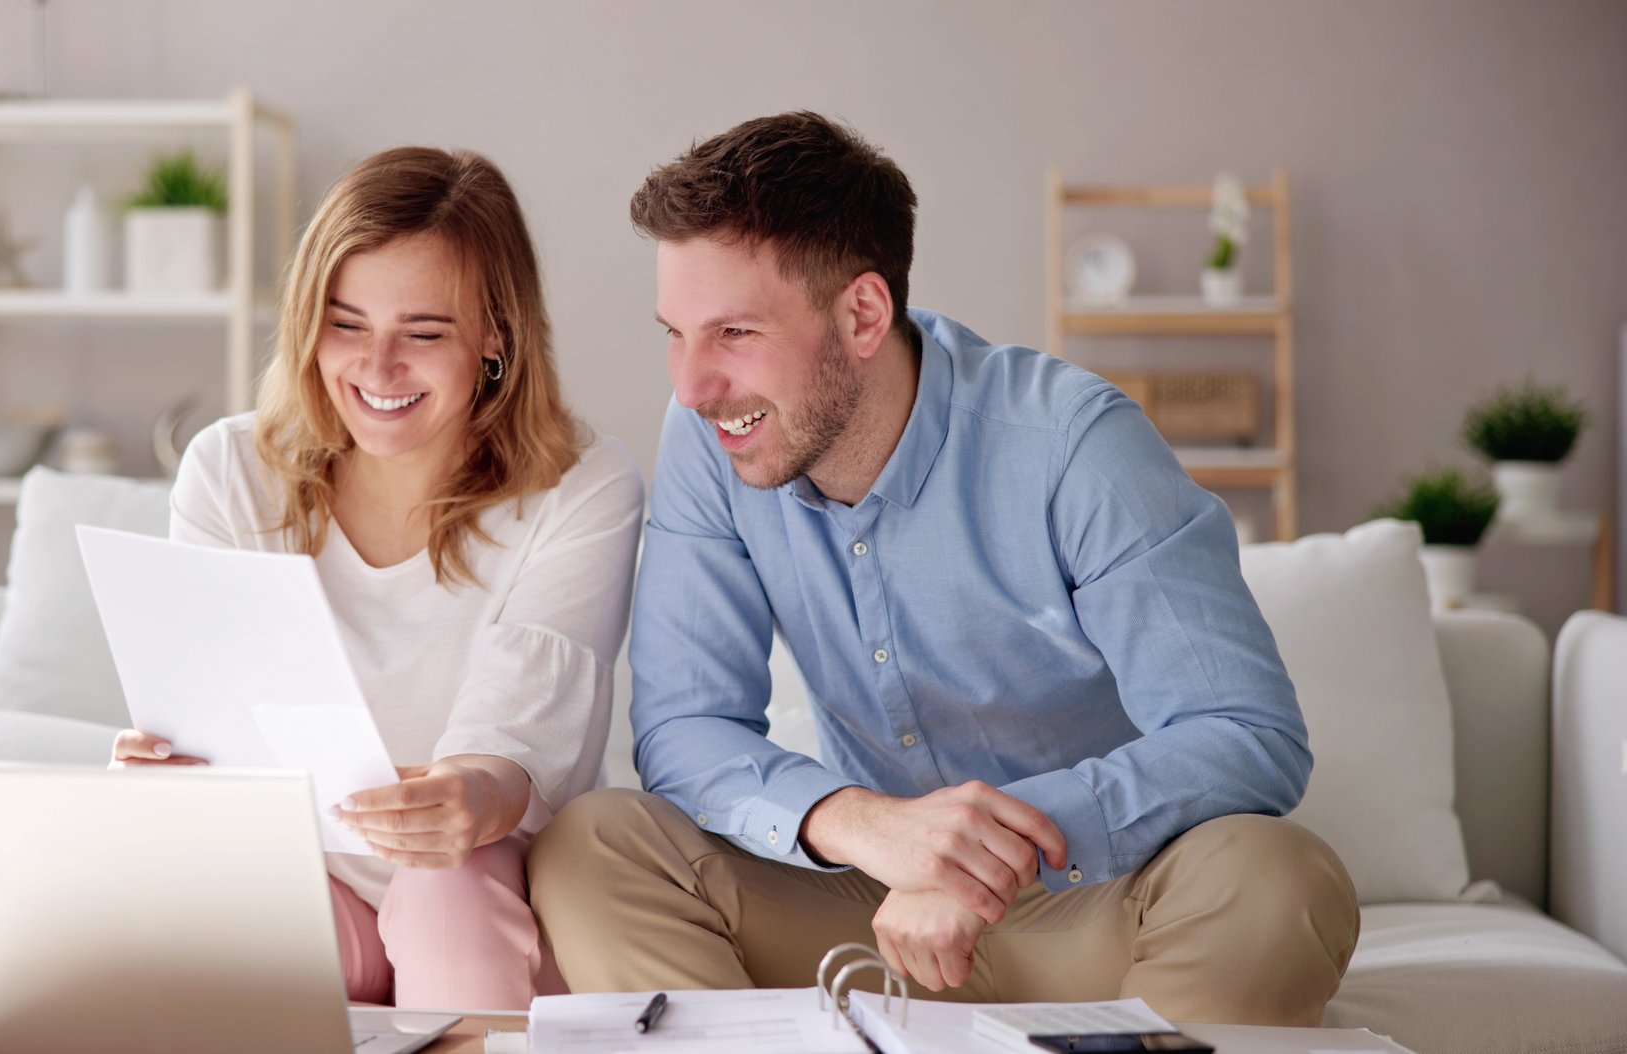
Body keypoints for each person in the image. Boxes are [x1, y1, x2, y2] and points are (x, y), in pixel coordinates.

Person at [528, 112, 1358, 1026]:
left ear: (863, 314)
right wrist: (863, 825)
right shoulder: (712, 439)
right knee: (589, 845)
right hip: (866, 916)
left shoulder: (1074, 446)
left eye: (732, 333)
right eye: (675, 334)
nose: (691, 385)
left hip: (1100, 906)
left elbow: (1246, 731)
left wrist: (982, 853)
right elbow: (687, 727)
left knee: (1281, 879)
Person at [112, 146, 643, 1011]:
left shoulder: (582, 485)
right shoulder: (228, 470)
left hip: (493, 895)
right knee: (192, 904)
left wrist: (468, 794)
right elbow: (209, 724)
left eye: (424, 334)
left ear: (495, 336)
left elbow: (515, 732)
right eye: (346, 323)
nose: (377, 367)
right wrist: (168, 770)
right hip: (314, 889)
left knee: (446, 886)